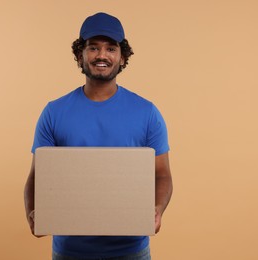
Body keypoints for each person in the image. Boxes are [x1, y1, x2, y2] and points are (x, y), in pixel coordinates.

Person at [24, 12, 173, 260]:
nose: (102, 55)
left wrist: (157, 209)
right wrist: (32, 213)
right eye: (93, 48)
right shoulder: (54, 112)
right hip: (70, 251)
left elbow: (163, 174)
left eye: (110, 49)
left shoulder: (147, 112)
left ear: (122, 56)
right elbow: (36, 176)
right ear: (80, 54)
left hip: (131, 251)